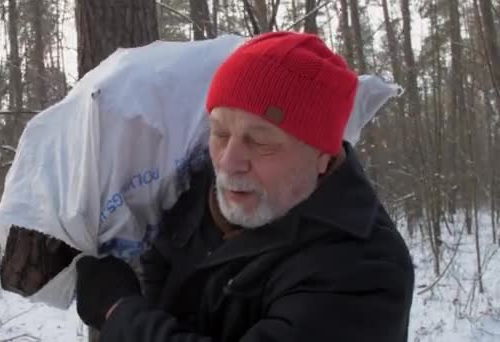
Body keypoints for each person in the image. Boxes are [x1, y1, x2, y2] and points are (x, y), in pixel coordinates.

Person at [75, 31, 414, 342]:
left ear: (323, 156)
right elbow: (160, 262)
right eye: (220, 133)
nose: (228, 161)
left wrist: (120, 314)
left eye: (261, 141)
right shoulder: (201, 188)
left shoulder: (366, 270)